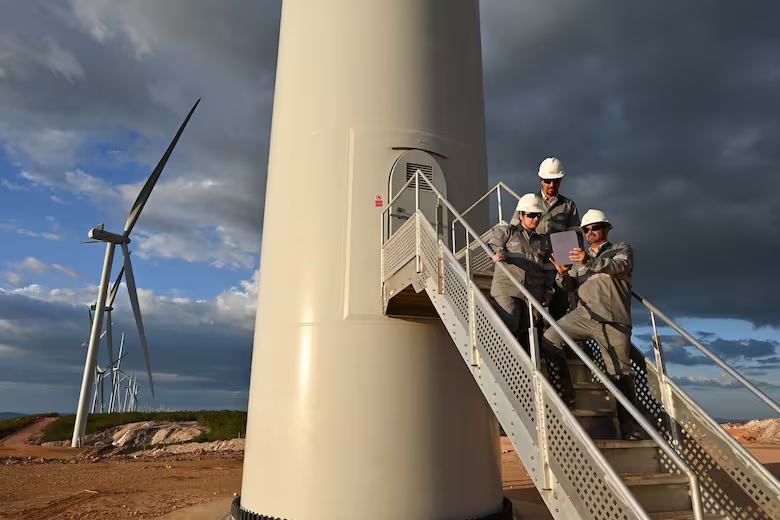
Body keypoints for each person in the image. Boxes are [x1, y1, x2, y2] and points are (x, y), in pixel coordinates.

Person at [545, 209, 643, 440]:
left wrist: (588, 260)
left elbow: (619, 267)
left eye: (595, 228)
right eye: (586, 230)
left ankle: (631, 429)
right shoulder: (579, 257)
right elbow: (569, 287)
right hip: (584, 316)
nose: (590, 232)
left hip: (613, 320)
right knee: (550, 337)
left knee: (620, 372)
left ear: (606, 228)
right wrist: (563, 274)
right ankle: (565, 395)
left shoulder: (621, 249)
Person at [512, 157, 581, 320]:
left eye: (556, 181)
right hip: (533, 265)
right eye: (548, 181)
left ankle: (554, 344)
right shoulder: (529, 202)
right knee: (531, 312)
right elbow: (514, 230)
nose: (552, 185)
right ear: (541, 180)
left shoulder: (569, 206)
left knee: (558, 310)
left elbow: (576, 237)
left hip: (558, 267)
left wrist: (572, 265)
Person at [487, 193, 553, 346]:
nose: (536, 219)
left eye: (538, 216)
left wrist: (548, 292)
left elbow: (548, 270)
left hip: (533, 294)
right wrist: (497, 253)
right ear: (521, 215)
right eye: (531, 215)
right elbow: (492, 245)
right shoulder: (507, 231)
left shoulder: (543, 242)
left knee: (531, 334)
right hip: (508, 290)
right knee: (509, 328)